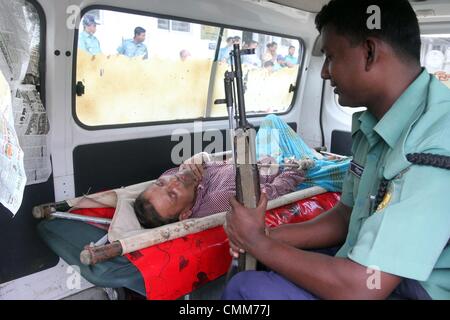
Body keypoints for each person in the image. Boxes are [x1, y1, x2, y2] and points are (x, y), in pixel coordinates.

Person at [223, 0, 450, 300]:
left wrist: (258, 242)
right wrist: (266, 237)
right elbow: (346, 216)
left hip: (410, 289)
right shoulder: (375, 122)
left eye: (331, 57)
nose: (324, 73)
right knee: (260, 260)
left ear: (369, 52)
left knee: (246, 290)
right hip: (368, 266)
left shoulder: (434, 144)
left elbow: (362, 287)